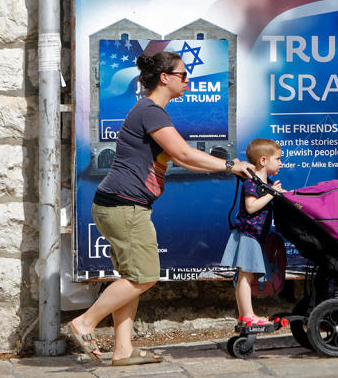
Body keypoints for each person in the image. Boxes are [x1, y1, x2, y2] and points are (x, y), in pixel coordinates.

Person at [68, 51, 253, 366]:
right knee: (145, 276)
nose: (188, 80)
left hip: (119, 205)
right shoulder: (151, 111)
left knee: (131, 277)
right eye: (182, 74)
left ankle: (123, 350)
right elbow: (183, 151)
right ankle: (84, 322)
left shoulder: (150, 112)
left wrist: (225, 167)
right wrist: (229, 165)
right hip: (124, 206)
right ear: (164, 78)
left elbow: (181, 158)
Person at [220, 138, 284, 326]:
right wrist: (271, 193)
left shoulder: (266, 182)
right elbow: (250, 207)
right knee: (245, 276)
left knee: (246, 276)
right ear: (263, 161)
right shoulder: (251, 182)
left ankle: (244, 316)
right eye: (278, 159)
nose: (281, 163)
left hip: (255, 236)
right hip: (248, 234)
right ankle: (247, 316)